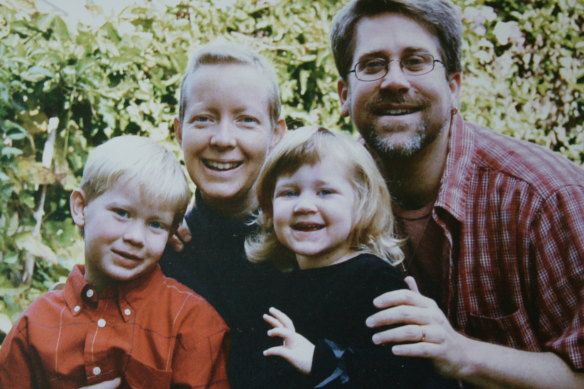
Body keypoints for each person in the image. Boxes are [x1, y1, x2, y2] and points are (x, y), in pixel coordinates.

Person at [330, 0, 584, 388]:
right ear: (344, 94)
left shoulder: (546, 199)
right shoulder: (329, 196)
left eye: (416, 61)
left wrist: (458, 353)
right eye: (372, 64)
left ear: (454, 86)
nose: (394, 81)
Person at [0, 136, 230, 389]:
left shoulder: (193, 323)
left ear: (171, 232)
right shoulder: (36, 323)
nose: (135, 237)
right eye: (122, 213)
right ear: (80, 208)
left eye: (155, 224)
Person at [244, 126, 456, 388]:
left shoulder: (375, 280)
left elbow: (399, 373)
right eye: (289, 192)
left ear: (362, 203)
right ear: (269, 206)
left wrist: (318, 360)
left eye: (325, 192)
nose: (304, 205)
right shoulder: (276, 279)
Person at [159, 42, 287, 388]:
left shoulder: (304, 246)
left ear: (276, 135)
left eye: (246, 120)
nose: (223, 139)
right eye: (204, 119)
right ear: (179, 131)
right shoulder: (157, 250)